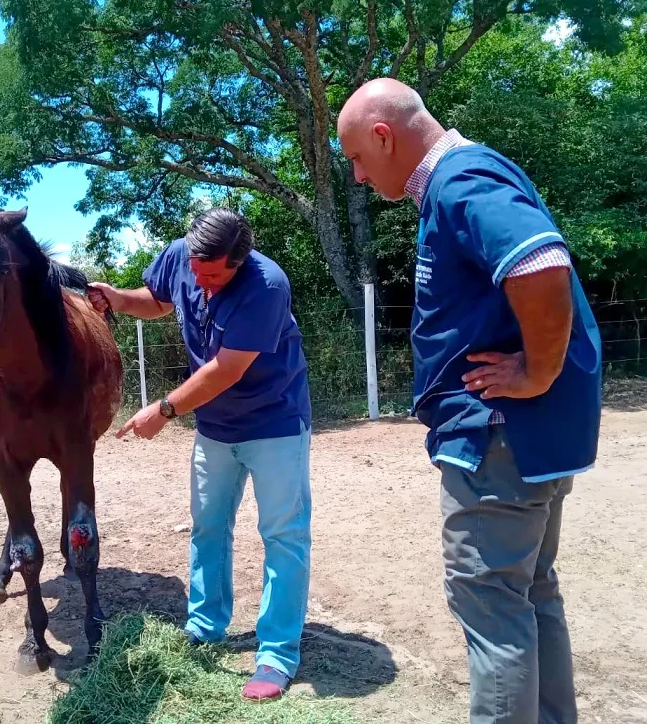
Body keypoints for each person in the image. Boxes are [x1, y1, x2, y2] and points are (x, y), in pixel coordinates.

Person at [337, 78, 602, 724]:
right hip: (524, 437)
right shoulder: (465, 180)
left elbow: (538, 260)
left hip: (498, 438)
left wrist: (538, 370)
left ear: (383, 135)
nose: (360, 177)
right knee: (530, 593)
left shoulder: (462, 179)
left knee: (491, 603)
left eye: (357, 159)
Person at [86, 207, 313, 701]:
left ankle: (276, 655)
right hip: (215, 428)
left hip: (273, 422)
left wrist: (164, 410)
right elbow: (158, 301)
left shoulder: (265, 286)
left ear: (240, 261)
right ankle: (205, 626)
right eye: (195, 270)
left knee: (283, 536)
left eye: (212, 276)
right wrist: (119, 300)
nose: (200, 281)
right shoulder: (183, 257)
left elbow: (225, 370)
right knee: (208, 527)